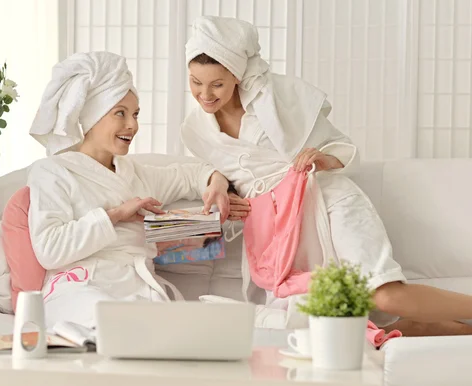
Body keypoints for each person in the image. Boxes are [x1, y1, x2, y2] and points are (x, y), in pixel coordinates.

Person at [180, 16, 472, 336]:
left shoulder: (277, 102)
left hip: (327, 201)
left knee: (384, 296)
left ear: (236, 75)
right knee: (345, 322)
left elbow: (343, 151)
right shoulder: (195, 130)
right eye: (195, 82)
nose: (204, 94)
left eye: (216, 84)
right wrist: (221, 184)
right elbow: (216, 170)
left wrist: (321, 159)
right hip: (276, 233)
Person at [27, 51, 230, 329]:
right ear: (91, 117)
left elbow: (190, 174)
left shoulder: (134, 172)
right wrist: (115, 215)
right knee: (114, 326)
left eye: (135, 114)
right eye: (119, 114)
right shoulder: (52, 171)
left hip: (138, 291)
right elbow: (49, 250)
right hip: (80, 290)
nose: (132, 125)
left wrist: (216, 181)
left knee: (188, 332)